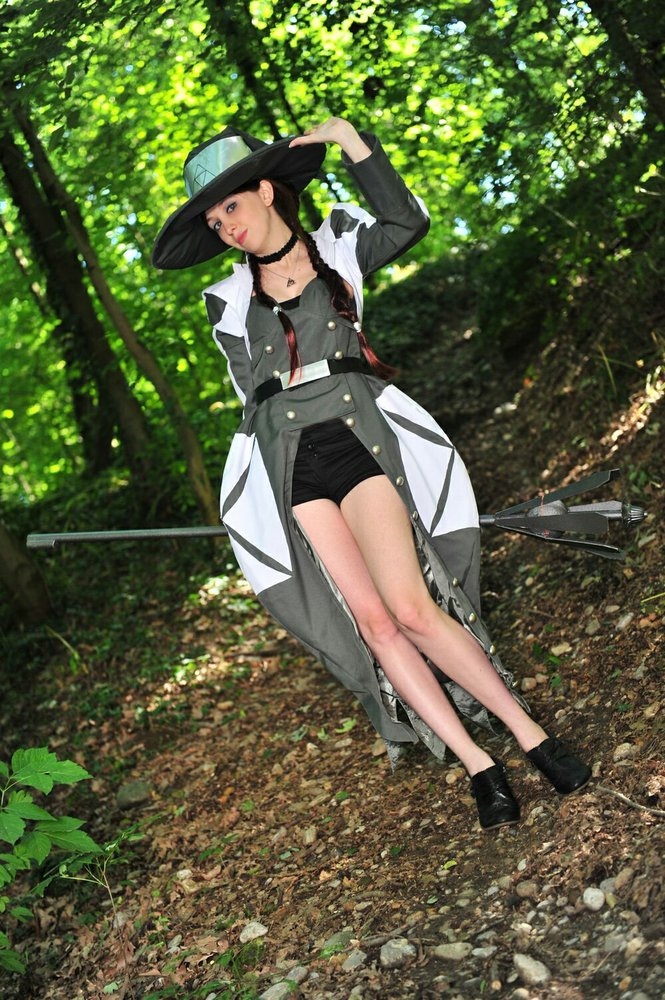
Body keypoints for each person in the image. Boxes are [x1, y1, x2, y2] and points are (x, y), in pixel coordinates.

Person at [153, 116, 591, 830]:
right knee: (374, 624)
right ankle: (479, 768)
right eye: (212, 220)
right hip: (290, 462)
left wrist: (349, 139)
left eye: (230, 205)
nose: (224, 226)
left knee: (411, 608)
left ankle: (531, 737)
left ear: (265, 190)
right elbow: (249, 403)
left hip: (355, 438)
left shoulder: (337, 245)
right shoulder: (226, 303)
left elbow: (407, 221)